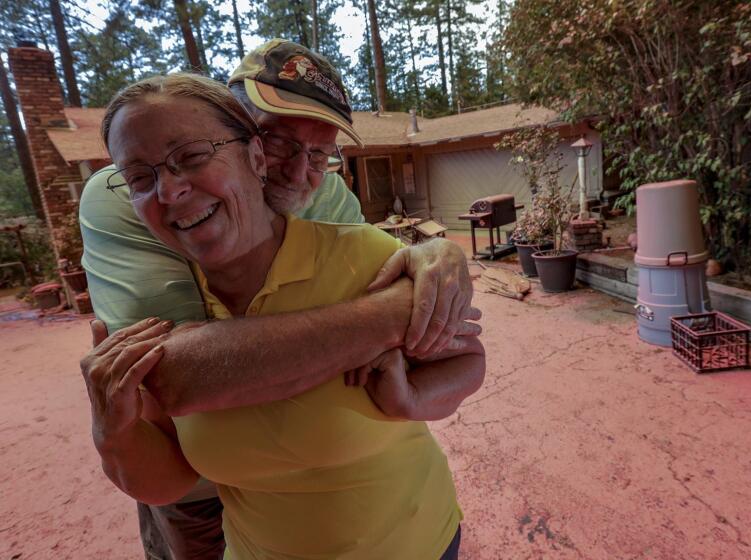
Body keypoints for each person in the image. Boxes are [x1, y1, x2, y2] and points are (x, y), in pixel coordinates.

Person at [78, 40, 479, 559]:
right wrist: (391, 314)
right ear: (240, 131)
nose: (295, 172)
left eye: (320, 154)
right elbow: (171, 376)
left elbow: (428, 320)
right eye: (281, 142)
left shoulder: (325, 197)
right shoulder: (122, 202)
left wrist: (437, 255)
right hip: (209, 500)